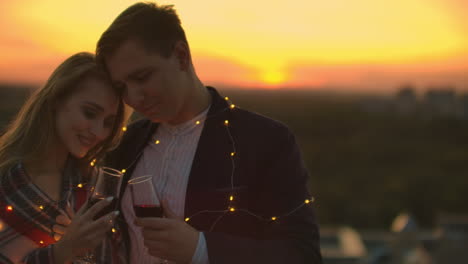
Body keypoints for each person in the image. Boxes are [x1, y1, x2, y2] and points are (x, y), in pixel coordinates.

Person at [97, 2, 322, 263]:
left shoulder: (266, 141)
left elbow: (302, 254)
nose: (132, 97)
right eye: (121, 86)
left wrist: (201, 249)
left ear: (181, 56)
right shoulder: (126, 142)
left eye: (142, 77)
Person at [0, 52, 129, 263]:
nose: (98, 132)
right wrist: (62, 252)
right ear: (56, 100)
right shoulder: (8, 183)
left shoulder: (94, 186)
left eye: (108, 123)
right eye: (89, 113)